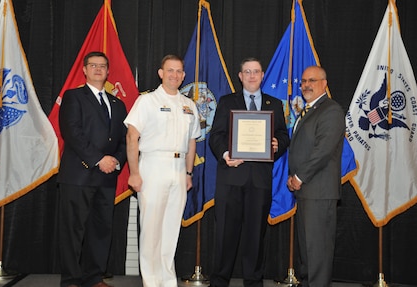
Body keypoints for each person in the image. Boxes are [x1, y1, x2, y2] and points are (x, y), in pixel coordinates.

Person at [209, 57, 290, 287]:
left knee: (256, 236)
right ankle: (219, 281)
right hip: (230, 178)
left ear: (262, 75)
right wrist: (226, 155)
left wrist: (277, 144)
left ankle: (253, 282)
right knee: (225, 235)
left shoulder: (273, 104)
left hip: (259, 181)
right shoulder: (226, 102)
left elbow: (284, 135)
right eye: (247, 71)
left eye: (256, 71)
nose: (252, 76)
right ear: (240, 76)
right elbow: (216, 136)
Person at [124, 54, 201, 287]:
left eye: (179, 71)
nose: (174, 75)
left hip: (178, 169)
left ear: (184, 75)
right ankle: (151, 280)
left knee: (170, 228)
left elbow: (192, 141)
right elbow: (132, 137)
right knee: (151, 228)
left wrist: (188, 174)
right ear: (161, 73)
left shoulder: (189, 105)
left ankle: (167, 280)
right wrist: (134, 172)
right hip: (153, 165)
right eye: (170, 70)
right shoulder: (147, 101)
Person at [57, 51, 128, 287]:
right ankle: (71, 280)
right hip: (78, 174)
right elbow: (72, 133)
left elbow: (124, 140)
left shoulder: (118, 104)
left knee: (101, 230)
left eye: (103, 66)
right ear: (85, 70)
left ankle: (94, 277)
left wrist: (116, 161)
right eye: (93, 65)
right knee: (73, 231)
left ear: (108, 71)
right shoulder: (73, 97)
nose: (98, 69)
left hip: (106, 178)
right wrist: (99, 159)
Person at [286, 66, 344, 287]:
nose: (306, 85)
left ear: (324, 84)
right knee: (308, 250)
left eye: (312, 80)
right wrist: (294, 176)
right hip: (307, 191)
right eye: (303, 81)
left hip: (319, 191)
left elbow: (323, 151)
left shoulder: (331, 110)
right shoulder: (309, 110)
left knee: (317, 251)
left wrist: (299, 177)